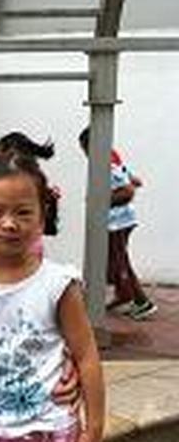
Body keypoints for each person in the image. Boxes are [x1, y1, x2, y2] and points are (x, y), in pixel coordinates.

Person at [0, 155, 105, 442]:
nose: (9, 223)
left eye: (23, 212)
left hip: (51, 435)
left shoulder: (58, 283)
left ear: (42, 216)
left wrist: (94, 429)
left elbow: (87, 356)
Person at [78, 128, 157, 320]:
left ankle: (142, 302)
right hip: (121, 220)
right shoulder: (112, 157)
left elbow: (128, 191)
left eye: (85, 149)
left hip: (117, 223)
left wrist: (98, 200)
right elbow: (133, 180)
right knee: (113, 260)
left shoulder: (106, 163)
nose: (85, 154)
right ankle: (123, 294)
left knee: (120, 263)